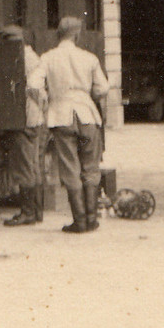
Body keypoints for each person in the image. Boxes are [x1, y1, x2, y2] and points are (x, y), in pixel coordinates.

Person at [41, 16, 110, 233]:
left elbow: (33, 85)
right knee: (90, 166)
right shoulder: (89, 58)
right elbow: (103, 88)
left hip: (61, 117)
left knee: (70, 168)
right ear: (77, 35)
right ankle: (91, 220)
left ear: (58, 35)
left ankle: (79, 221)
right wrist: (87, 95)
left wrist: (46, 101)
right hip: (87, 115)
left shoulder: (48, 57)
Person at [0, 25, 47, 226]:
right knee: (34, 166)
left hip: (25, 118)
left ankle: (27, 213)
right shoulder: (33, 56)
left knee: (26, 167)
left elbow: (34, 88)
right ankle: (36, 212)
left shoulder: (22, 58)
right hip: (35, 118)